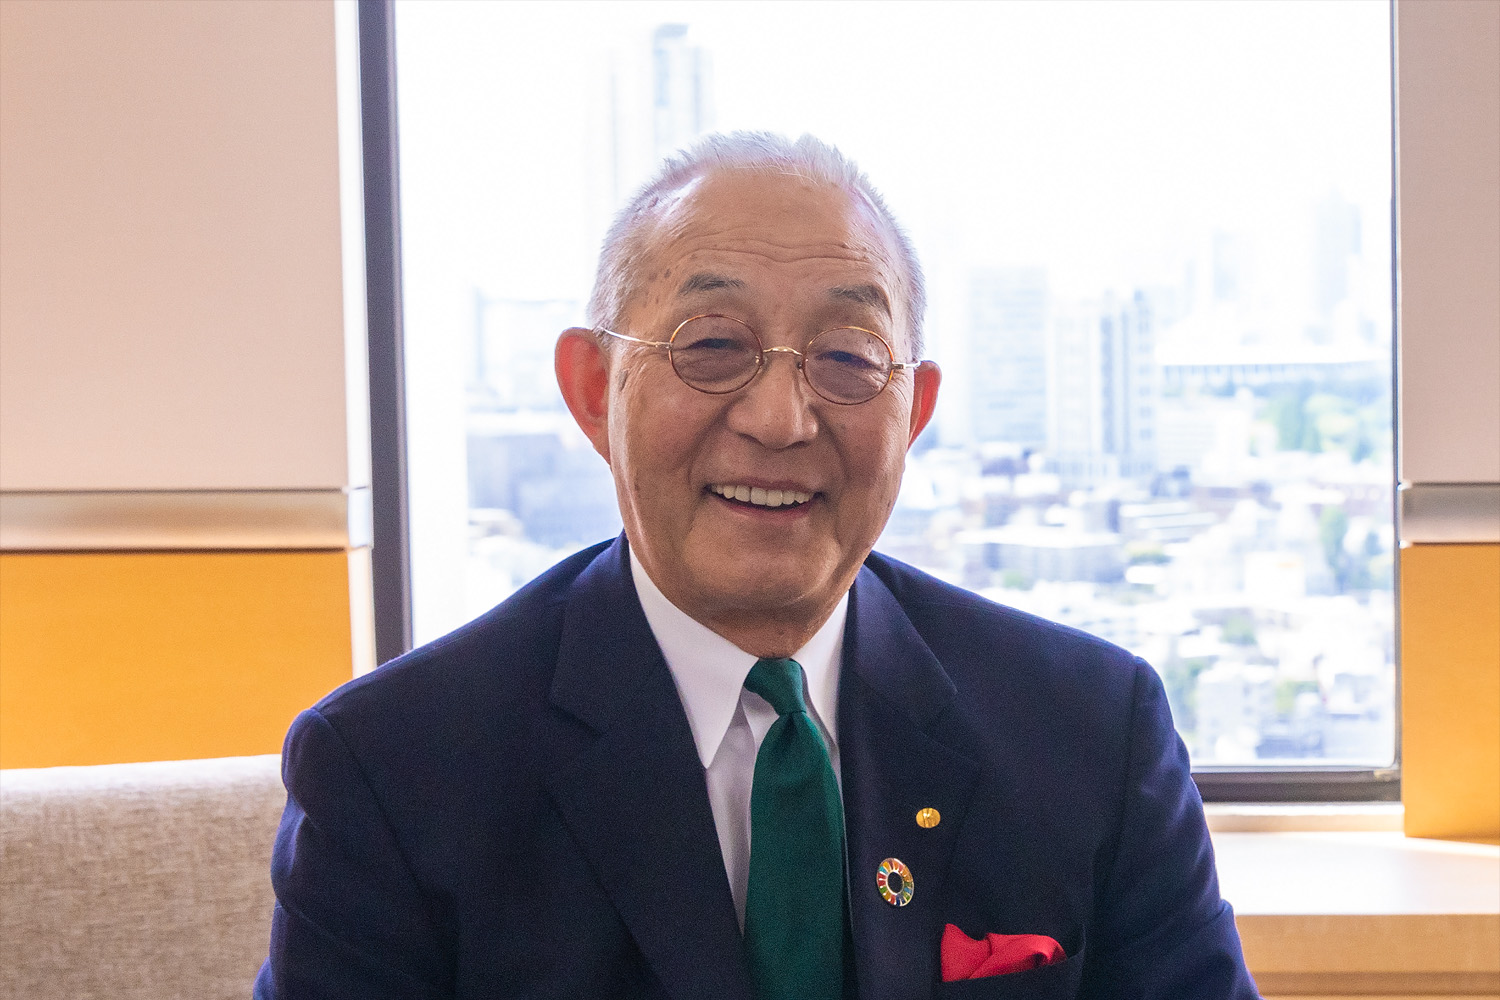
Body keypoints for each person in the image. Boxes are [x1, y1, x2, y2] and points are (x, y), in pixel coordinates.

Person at [256, 132, 1258, 999]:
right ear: (595, 389)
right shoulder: (396, 769)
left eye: (849, 358)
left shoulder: (1092, 729)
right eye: (712, 345)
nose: (781, 420)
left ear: (913, 410)